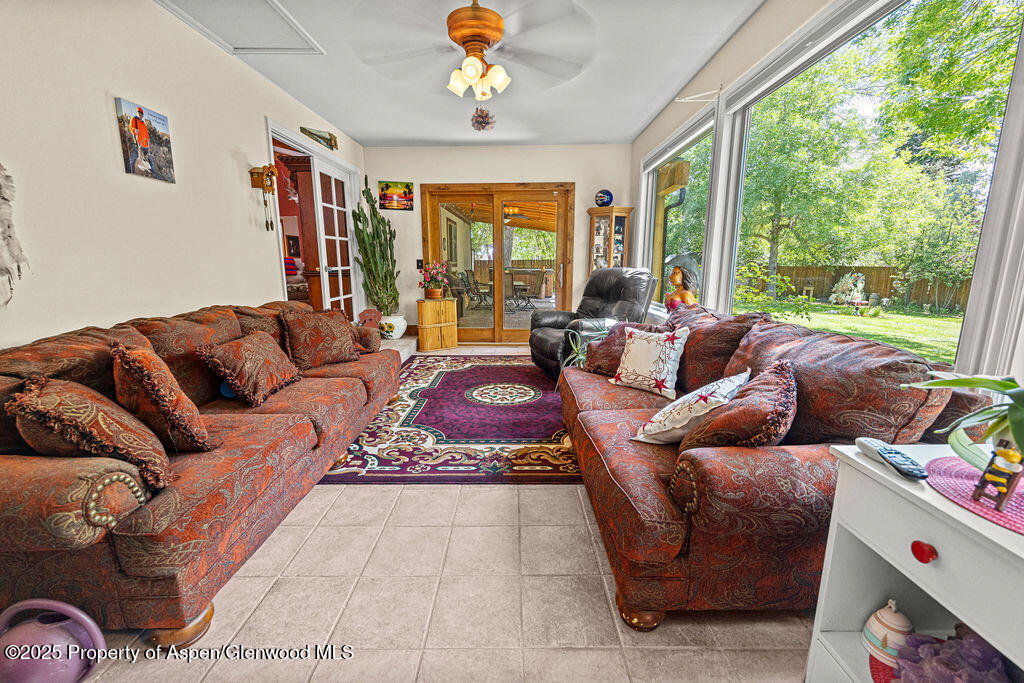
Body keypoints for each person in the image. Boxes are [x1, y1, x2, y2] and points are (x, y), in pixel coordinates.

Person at [128, 107, 152, 174]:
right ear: (137, 113)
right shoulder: (134, 119)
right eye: (139, 113)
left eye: (141, 114)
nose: (140, 115)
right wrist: (134, 130)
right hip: (137, 144)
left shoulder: (143, 124)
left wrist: (147, 141)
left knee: (147, 162)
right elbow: (130, 127)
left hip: (145, 146)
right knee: (132, 160)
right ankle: (130, 173)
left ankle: (147, 173)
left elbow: (146, 134)